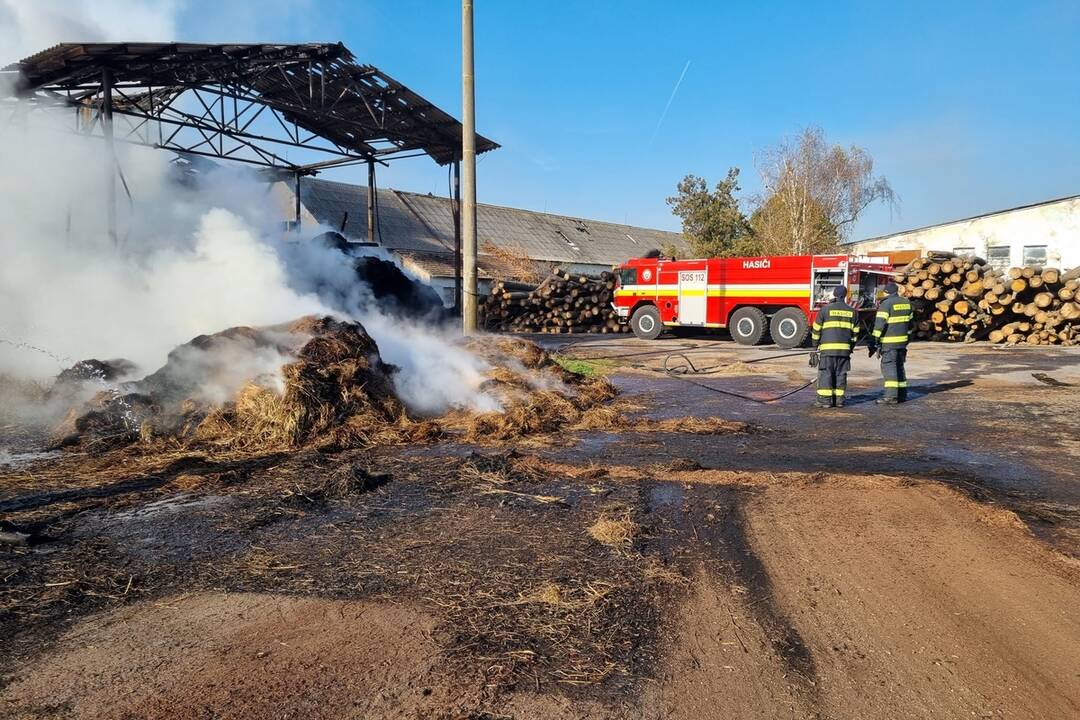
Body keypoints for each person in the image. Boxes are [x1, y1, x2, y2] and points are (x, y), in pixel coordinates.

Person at [810, 285, 859, 408]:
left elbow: (816, 331)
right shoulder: (853, 312)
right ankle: (839, 400)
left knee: (826, 373)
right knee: (841, 374)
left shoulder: (825, 310)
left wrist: (814, 348)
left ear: (834, 295)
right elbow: (855, 334)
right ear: (845, 296)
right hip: (844, 352)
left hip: (828, 350)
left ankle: (825, 401)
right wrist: (850, 348)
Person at [870, 282, 913, 404]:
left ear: (886, 292)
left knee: (889, 367)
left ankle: (890, 397)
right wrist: (907, 338)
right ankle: (902, 394)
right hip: (902, 342)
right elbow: (910, 325)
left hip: (889, 343)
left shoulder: (886, 304)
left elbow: (879, 326)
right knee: (899, 367)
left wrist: (874, 341)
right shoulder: (906, 303)